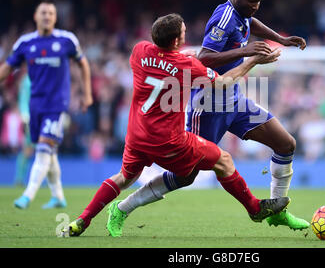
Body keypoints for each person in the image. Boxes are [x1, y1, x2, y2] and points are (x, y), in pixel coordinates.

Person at [64, 13, 289, 237]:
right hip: (169, 141)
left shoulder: (139, 51)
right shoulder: (185, 65)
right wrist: (252, 61)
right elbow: (222, 82)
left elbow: (162, 63)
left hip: (136, 136)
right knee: (224, 161)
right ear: (175, 41)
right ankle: (254, 208)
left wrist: (178, 56)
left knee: (123, 178)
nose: (186, 34)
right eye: (183, 32)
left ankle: (82, 220)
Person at [185, 0, 309, 230]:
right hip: (208, 104)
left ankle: (277, 209)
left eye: (259, 0)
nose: (255, 5)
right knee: (186, 174)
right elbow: (203, 58)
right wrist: (246, 50)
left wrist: (280, 39)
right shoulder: (224, 18)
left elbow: (250, 24)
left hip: (234, 100)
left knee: (286, 144)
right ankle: (123, 207)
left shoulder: (242, 14)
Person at [0, 0, 93, 209]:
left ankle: (28, 195)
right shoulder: (25, 43)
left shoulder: (66, 40)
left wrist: (87, 94)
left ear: (55, 18)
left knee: (43, 148)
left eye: (51, 13)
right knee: (49, 151)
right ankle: (58, 196)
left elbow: (83, 64)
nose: (47, 17)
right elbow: (7, 67)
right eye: (43, 13)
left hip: (57, 104)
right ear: (35, 16)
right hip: (35, 105)